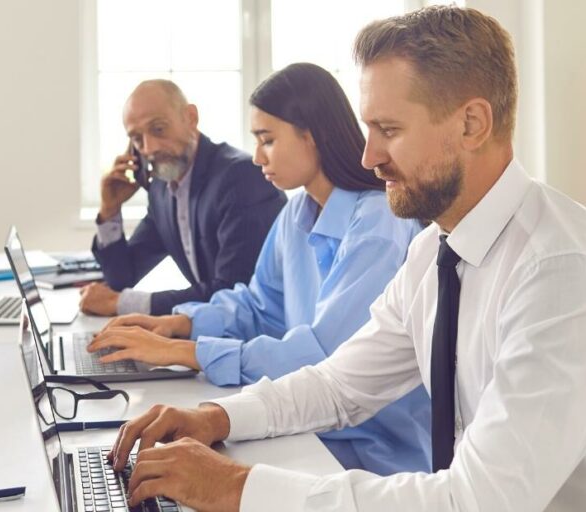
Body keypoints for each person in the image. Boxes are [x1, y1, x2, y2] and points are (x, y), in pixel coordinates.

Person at [103, 6, 586, 512]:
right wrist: (213, 417)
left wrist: (237, 488)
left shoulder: (565, 274)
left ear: (472, 123)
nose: (368, 156)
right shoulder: (438, 250)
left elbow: (479, 501)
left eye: (389, 130)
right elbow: (340, 384)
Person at [88, 63, 431, 476]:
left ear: (313, 135)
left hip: (371, 449)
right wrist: (178, 324)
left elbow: (326, 359)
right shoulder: (297, 213)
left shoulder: (378, 224)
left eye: (267, 140)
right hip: (304, 426)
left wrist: (189, 352)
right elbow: (258, 306)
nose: (256, 156)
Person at [81, 80, 286, 317]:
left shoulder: (241, 178)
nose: (149, 148)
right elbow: (122, 278)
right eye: (137, 138)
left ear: (190, 117)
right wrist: (110, 209)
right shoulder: (161, 188)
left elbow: (231, 292)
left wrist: (123, 304)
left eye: (158, 129)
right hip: (215, 332)